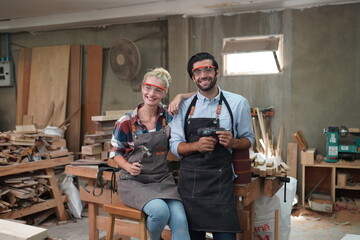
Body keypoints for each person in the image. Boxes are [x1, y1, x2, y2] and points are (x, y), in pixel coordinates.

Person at [169, 52, 255, 240]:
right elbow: (175, 146)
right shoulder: (183, 107)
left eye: (207, 69)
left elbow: (249, 139)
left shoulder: (237, 103)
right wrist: (196, 146)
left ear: (217, 72)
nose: (203, 75)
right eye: (197, 72)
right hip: (191, 186)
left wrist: (233, 142)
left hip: (220, 185)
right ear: (193, 77)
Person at [110, 67, 191, 240]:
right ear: (142, 87)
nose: (152, 93)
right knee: (159, 212)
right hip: (134, 182)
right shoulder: (126, 122)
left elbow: (201, 97)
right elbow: (115, 153)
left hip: (161, 179)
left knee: (181, 222)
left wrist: (180, 96)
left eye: (158, 90)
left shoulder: (168, 117)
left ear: (164, 93)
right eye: (148, 87)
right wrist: (129, 167)